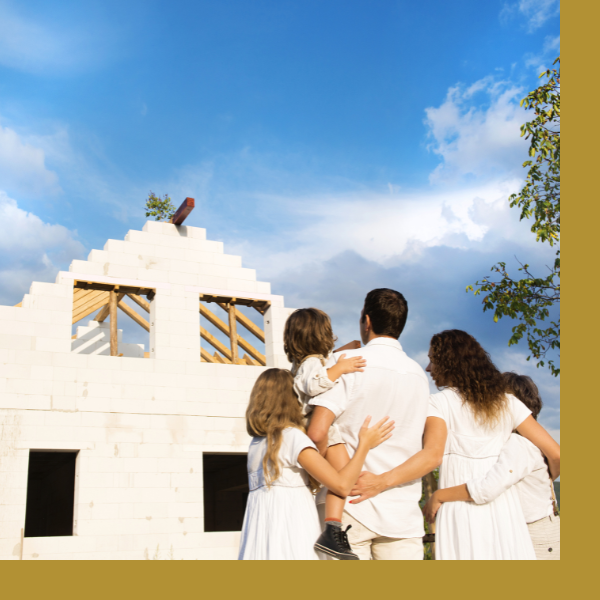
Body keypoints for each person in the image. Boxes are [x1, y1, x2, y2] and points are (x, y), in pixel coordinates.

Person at [307, 288, 430, 560]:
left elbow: (317, 433)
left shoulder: (346, 364)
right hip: (401, 512)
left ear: (367, 321)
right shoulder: (419, 375)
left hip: (348, 509)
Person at [238, 368, 394, 560]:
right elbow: (342, 486)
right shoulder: (291, 437)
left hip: (262, 534)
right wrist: (364, 445)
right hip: (292, 529)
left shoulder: (256, 444)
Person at [423, 372, 560, 560]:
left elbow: (487, 487)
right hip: (532, 528)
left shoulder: (518, 444)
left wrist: (440, 496)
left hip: (534, 533)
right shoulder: (527, 443)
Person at [283, 308, 366, 559]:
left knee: (341, 479)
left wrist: (341, 356)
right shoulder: (311, 364)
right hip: (324, 429)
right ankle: (332, 530)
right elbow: (314, 383)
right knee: (343, 479)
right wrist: (340, 369)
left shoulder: (303, 364)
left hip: (316, 428)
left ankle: (332, 528)